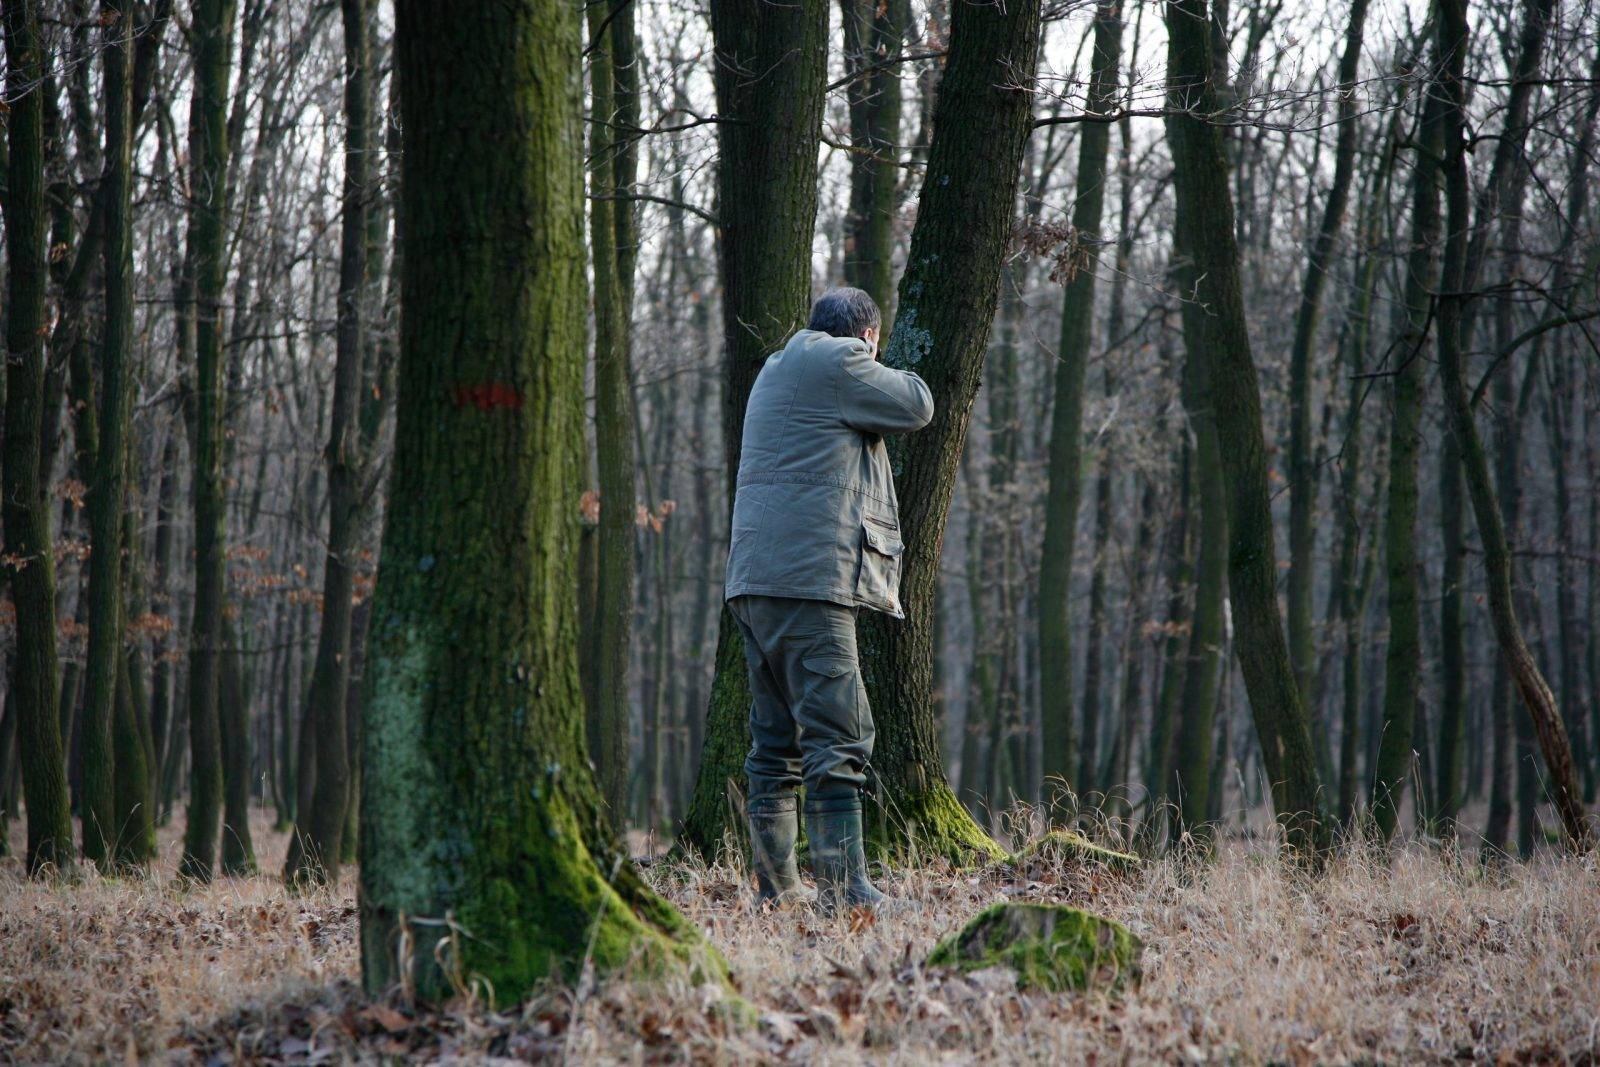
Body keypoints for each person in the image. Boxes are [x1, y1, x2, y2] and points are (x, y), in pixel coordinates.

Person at [723, 286, 934, 912]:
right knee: (841, 735)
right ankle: (847, 892)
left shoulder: (778, 366)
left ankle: (777, 890)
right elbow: (916, 404)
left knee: (775, 741)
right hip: (808, 583)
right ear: (864, 336)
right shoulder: (840, 362)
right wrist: (880, 358)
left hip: (755, 581)